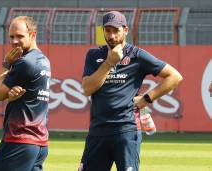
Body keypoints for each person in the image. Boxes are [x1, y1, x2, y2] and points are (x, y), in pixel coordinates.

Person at [78, 11, 183, 171]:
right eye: (108, 30)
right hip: (97, 131)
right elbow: (87, 89)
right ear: (103, 31)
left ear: (125, 30)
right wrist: (109, 63)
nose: (111, 36)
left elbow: (174, 77)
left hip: (126, 130)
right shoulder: (94, 55)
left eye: (116, 30)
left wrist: (146, 99)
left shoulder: (137, 55)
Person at [0, 16, 51, 171]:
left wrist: (6, 64)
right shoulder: (44, 60)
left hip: (19, 140)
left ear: (33, 35)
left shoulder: (25, 62)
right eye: (11, 36)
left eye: (20, 36)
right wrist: (11, 95)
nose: (14, 41)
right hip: (40, 143)